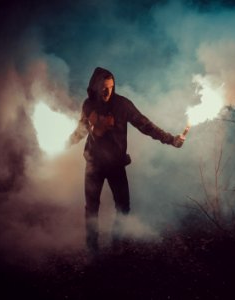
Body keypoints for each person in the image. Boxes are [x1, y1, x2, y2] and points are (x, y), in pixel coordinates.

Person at [68, 67, 185, 253]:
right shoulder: (88, 104)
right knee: (91, 208)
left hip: (116, 165)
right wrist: (67, 142)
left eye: (111, 87)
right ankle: (92, 250)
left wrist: (171, 140)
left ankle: (118, 245)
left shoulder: (123, 105)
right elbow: (82, 130)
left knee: (123, 206)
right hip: (94, 164)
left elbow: (146, 126)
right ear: (96, 87)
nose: (107, 91)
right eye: (103, 87)